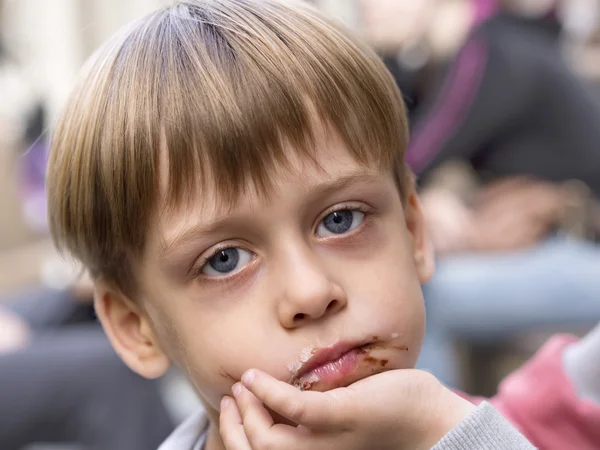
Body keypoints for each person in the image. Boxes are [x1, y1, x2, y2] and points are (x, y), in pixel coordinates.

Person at [43, 1, 596, 449]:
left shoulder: (489, 429)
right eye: (224, 260)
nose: (311, 292)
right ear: (138, 326)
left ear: (412, 233)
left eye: (340, 219)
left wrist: (448, 435)